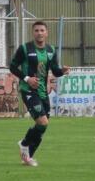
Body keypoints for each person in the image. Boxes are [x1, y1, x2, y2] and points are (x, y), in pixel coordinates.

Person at [9, 20, 69, 167]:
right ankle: (24, 145)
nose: (39, 33)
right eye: (36, 30)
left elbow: (54, 71)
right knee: (42, 121)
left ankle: (28, 156)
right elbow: (12, 67)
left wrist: (62, 71)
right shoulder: (25, 48)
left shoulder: (51, 50)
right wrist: (27, 78)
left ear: (46, 33)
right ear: (33, 33)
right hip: (28, 90)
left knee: (42, 126)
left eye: (42, 30)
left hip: (43, 92)